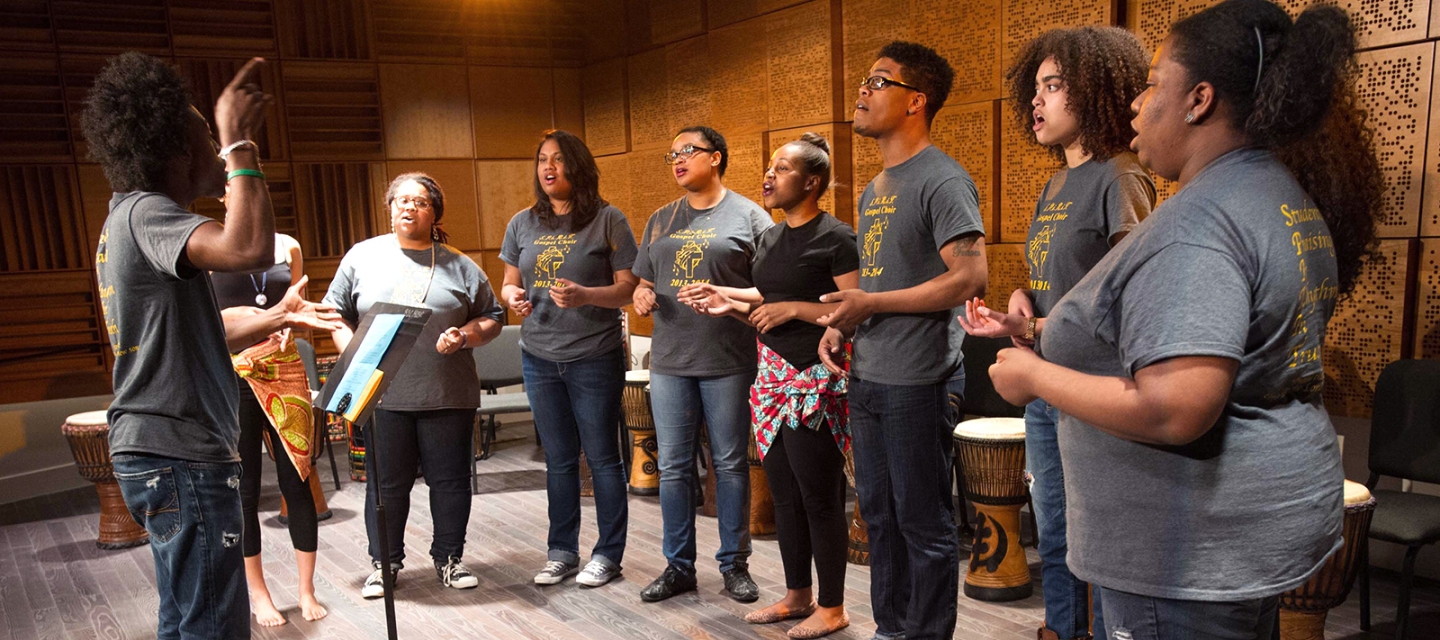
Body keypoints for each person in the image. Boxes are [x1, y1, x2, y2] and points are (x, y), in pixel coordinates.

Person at [987, 1, 1383, 638]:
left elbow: (1176, 408)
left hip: (1182, 554)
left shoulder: (1197, 228)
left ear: (1199, 100)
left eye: (1151, 86)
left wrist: (1034, 376)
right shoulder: (1276, 192)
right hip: (1240, 531)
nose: (1137, 107)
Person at [84, 53, 341, 639]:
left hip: (159, 446)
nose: (215, 147)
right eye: (206, 135)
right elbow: (249, 248)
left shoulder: (129, 219)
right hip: (179, 448)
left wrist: (278, 314)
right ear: (178, 149)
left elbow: (204, 330)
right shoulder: (151, 213)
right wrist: (241, 144)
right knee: (215, 626)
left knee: (188, 619)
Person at [957, 26, 1152, 640]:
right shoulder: (1054, 185)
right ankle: (1063, 630)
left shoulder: (1120, 176)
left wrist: (1036, 324)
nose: (1037, 102)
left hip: (1095, 390)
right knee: (1057, 526)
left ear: (1094, 90)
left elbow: (1134, 294)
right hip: (1045, 386)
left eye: (1054, 86)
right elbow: (1063, 286)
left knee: (1098, 535)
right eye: (1034, 89)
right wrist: (1021, 305)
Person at [815, 41, 987, 640]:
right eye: (864, 80)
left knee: (923, 523)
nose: (862, 92)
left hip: (919, 379)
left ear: (916, 101)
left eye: (877, 81)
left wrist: (871, 305)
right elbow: (885, 279)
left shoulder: (942, 179)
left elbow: (970, 276)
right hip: (871, 374)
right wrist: (845, 322)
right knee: (879, 517)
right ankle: (892, 629)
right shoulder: (876, 186)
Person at [682, 133, 857, 638]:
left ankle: (833, 605)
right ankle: (798, 593)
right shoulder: (773, 237)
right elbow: (769, 297)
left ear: (811, 181)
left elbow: (854, 310)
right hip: (771, 379)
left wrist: (799, 311)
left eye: (781, 168)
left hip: (814, 380)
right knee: (784, 495)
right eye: (769, 166)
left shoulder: (835, 236)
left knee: (820, 496)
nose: (768, 175)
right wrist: (725, 299)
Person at [324, 172, 505, 599]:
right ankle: (384, 564)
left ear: (434, 212)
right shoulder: (362, 257)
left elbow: (494, 317)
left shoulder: (460, 264)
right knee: (386, 486)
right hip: (383, 395)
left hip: (447, 392)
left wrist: (464, 335)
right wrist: (356, 355)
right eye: (402, 200)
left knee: (451, 481)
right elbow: (333, 311)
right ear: (389, 208)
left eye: (420, 202)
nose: (410, 208)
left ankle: (449, 559)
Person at [631, 126, 774, 603]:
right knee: (673, 467)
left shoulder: (750, 216)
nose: (677, 159)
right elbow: (639, 282)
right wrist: (642, 293)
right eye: (671, 153)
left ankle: (735, 565)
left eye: (687, 151)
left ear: (716, 158)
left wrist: (728, 299)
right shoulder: (659, 219)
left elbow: (772, 287)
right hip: (670, 360)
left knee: (729, 464)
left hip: (728, 359)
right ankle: (678, 567)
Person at [499, 130, 638, 588]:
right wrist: (513, 298)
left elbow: (628, 289)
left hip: (593, 355)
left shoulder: (607, 219)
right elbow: (508, 284)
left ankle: (608, 554)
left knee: (602, 458)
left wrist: (585, 296)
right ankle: (561, 551)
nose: (548, 167)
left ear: (577, 166)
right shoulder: (522, 222)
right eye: (542, 160)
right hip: (538, 355)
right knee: (558, 460)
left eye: (558, 159)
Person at [212, 232, 329, 626]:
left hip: (284, 365)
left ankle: (306, 589)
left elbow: (294, 307)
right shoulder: (211, 245)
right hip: (236, 370)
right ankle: (259, 594)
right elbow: (211, 318)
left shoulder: (288, 246)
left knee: (298, 477)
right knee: (244, 488)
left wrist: (285, 326)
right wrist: (253, 317)